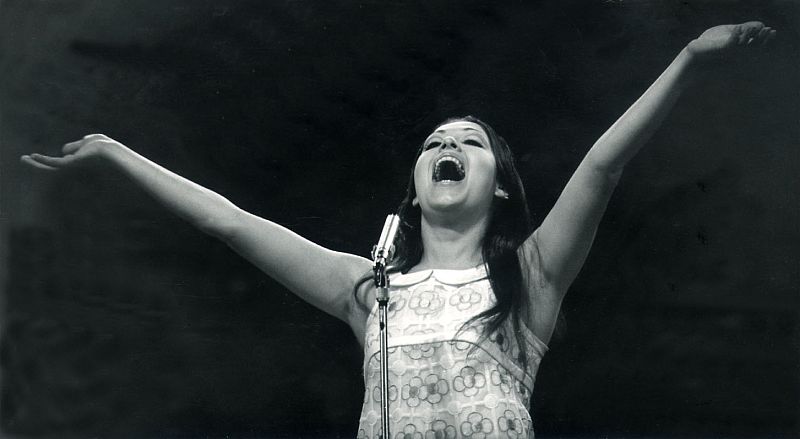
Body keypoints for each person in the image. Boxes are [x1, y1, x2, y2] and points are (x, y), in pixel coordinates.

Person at [21, 22, 775, 439]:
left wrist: (687, 59)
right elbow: (229, 221)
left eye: (471, 142)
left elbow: (604, 166)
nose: (448, 146)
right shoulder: (367, 290)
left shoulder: (532, 276)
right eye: (434, 142)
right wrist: (115, 151)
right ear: (414, 192)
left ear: (500, 184)